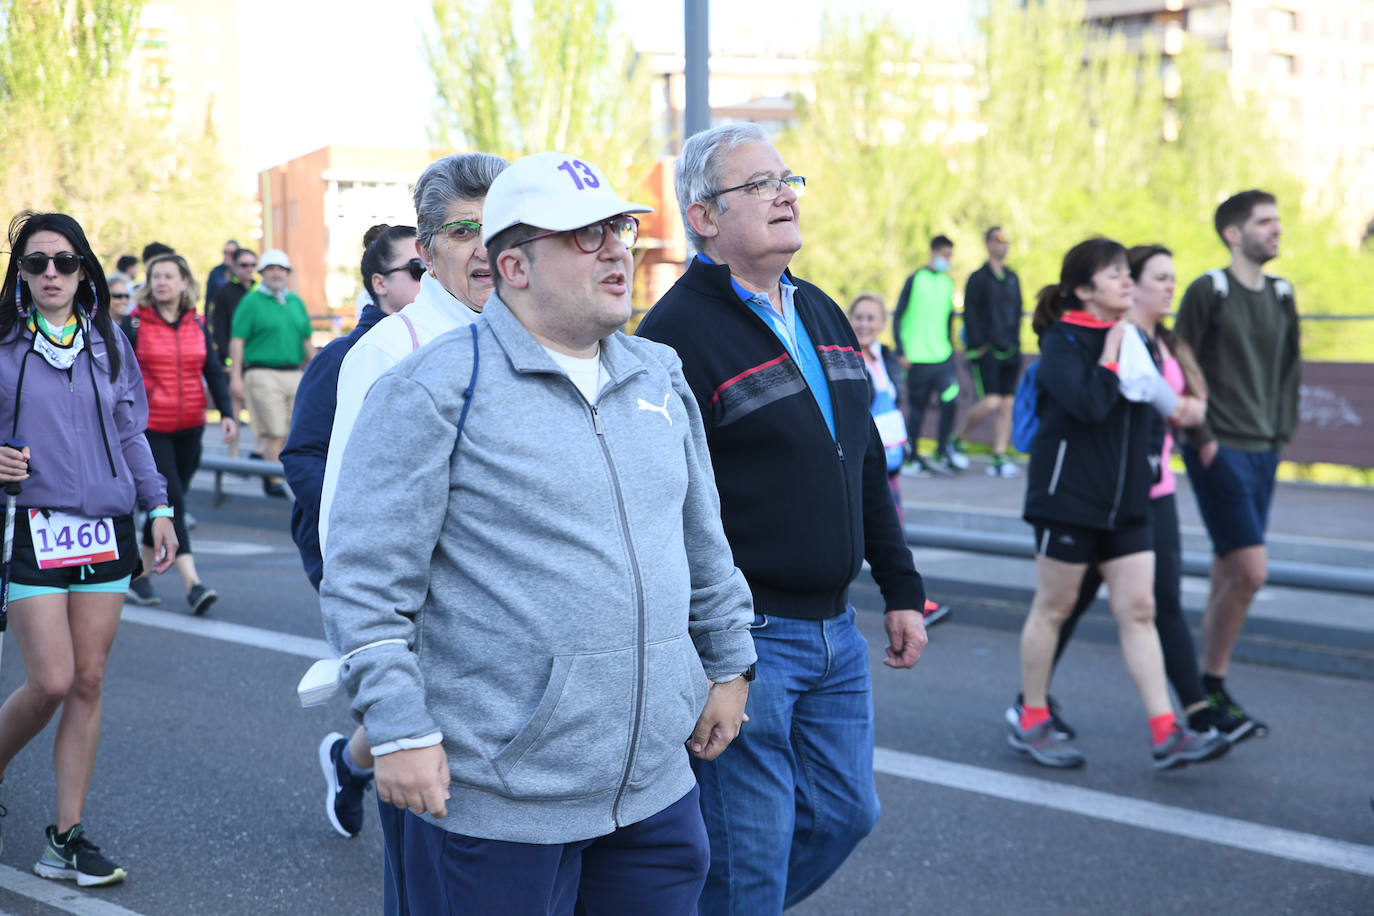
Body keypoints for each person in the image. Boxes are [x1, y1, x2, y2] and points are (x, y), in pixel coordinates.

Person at [320, 151, 756, 915]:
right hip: (500, 802)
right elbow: (365, 584)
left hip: (655, 793)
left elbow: (701, 540)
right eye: (585, 236)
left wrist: (729, 664)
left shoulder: (659, 374)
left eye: (618, 228)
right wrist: (396, 729)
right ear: (513, 266)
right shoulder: (432, 389)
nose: (617, 248)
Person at [636, 123, 927, 915]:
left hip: (839, 630)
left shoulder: (823, 310)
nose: (785, 194)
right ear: (703, 216)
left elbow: (861, 459)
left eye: (786, 178)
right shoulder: (672, 337)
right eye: (759, 184)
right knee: (750, 860)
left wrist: (900, 586)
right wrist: (716, 649)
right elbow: (665, 506)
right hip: (749, 636)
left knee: (845, 816)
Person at [312, 153, 504, 916]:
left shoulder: (530, 338)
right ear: (424, 250)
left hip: (514, 690)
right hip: (437, 679)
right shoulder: (391, 353)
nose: (487, 247)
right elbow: (347, 533)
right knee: (429, 889)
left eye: (500, 227)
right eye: (466, 230)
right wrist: (395, 703)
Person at [0, 212, 176, 886]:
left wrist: (157, 506)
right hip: (33, 528)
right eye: (37, 261)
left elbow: (133, 431)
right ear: (20, 271)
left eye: (64, 262)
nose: (51, 273)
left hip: (106, 526)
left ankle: (64, 837)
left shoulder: (109, 339)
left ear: (84, 270)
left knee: (88, 679)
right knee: (48, 680)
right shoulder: (6, 345)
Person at [1009, 237, 1229, 772]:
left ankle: (1168, 730)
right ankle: (1032, 718)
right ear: (1084, 289)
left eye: (1126, 274)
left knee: (1141, 609)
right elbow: (1087, 404)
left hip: (1127, 502)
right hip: (1068, 501)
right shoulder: (1063, 339)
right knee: (1054, 607)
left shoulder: (1136, 340)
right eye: (1114, 275)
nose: (1126, 281)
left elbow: (1159, 408)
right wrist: (1109, 357)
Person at [279, 226, 422, 908]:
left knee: (430, 686)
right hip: (351, 556)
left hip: (427, 559)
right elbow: (301, 458)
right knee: (411, 688)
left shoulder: (458, 344)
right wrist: (359, 531)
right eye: (413, 268)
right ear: (380, 285)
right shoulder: (347, 356)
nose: (427, 278)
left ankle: (349, 761)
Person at [1175, 189, 1299, 741]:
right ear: (1233, 233)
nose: (1276, 229)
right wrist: (1202, 436)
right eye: (1264, 221)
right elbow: (1181, 357)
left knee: (1228, 569)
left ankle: (1206, 690)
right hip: (1218, 448)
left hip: (1264, 449)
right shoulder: (1209, 289)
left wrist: (1280, 436)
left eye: (1277, 220)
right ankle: (1212, 682)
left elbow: (1291, 369)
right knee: (1252, 572)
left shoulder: (1281, 292)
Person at [122, 253, 236, 613]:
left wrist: (228, 413)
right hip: (150, 429)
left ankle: (136, 577)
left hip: (191, 427)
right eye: (156, 276)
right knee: (174, 502)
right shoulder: (134, 325)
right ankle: (194, 584)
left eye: (169, 276)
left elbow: (214, 371)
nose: (161, 282)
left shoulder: (197, 323)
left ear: (185, 282)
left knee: (164, 508)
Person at [848, 292, 952, 629]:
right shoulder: (843, 358)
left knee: (893, 532)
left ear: (882, 323)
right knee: (870, 532)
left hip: (889, 459)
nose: (864, 324)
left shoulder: (887, 356)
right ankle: (911, 602)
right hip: (859, 461)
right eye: (858, 317)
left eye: (871, 318)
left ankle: (911, 600)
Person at [227, 249, 314, 497]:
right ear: (263, 273)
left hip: (293, 373)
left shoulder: (295, 302)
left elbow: (306, 341)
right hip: (262, 371)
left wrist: (319, 370)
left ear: (287, 273)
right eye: (271, 269)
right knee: (274, 430)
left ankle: (277, 473)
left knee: (293, 430)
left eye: (281, 269)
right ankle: (274, 479)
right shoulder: (251, 302)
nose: (276, 273)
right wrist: (235, 377)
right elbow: (237, 341)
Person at [950, 226, 1024, 477]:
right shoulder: (978, 278)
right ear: (988, 243)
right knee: (990, 401)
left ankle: (999, 456)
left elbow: (1017, 311)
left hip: (1010, 349)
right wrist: (978, 346)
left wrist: (1015, 342)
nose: (1003, 244)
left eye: (1006, 240)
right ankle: (958, 439)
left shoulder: (1012, 277)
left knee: (1006, 404)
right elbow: (971, 313)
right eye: (998, 240)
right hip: (987, 350)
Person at [894, 234, 966, 475]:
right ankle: (912, 456)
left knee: (951, 400)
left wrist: (951, 349)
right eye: (944, 255)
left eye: (950, 256)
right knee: (917, 409)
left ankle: (942, 451)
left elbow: (948, 320)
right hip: (916, 358)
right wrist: (901, 351)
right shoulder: (915, 279)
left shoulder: (947, 283)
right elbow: (899, 315)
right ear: (933, 252)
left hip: (943, 356)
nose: (947, 260)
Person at [208, 247, 256, 458]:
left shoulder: (259, 290)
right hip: (233, 360)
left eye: (253, 265)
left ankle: (259, 452)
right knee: (234, 409)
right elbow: (218, 328)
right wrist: (226, 359)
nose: (249, 269)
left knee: (262, 412)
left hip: (257, 360)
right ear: (235, 266)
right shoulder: (224, 292)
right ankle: (234, 456)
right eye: (244, 265)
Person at [204, 239, 238, 307]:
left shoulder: (241, 271)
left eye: (231, 253)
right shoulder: (215, 272)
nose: (227, 255)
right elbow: (208, 299)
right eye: (225, 252)